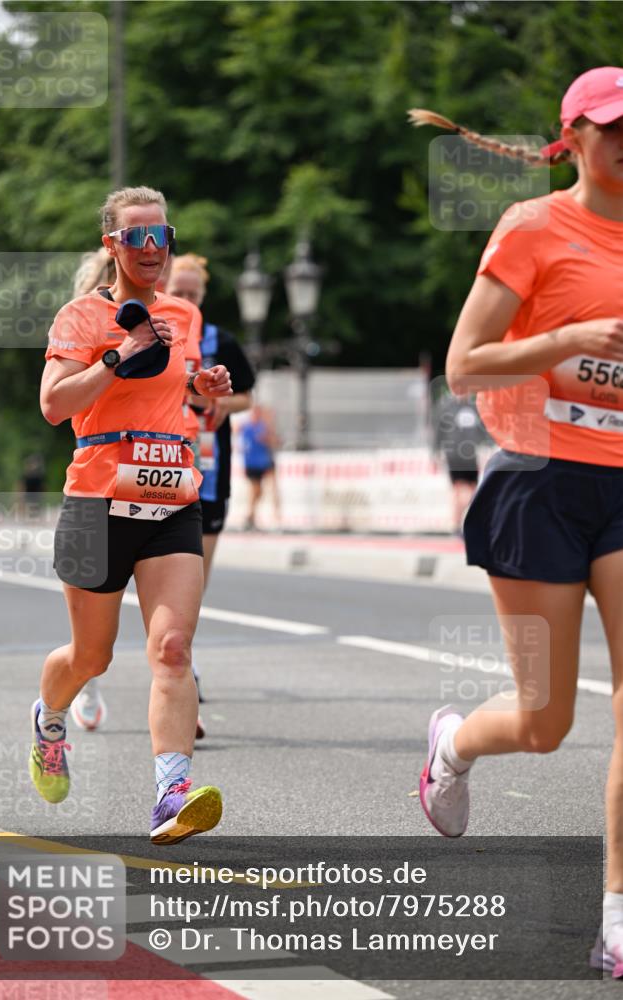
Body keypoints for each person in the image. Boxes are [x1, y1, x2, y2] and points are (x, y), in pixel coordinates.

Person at [410, 66, 623, 977]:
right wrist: (565, 342)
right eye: (612, 127)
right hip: (539, 482)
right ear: (570, 136)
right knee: (544, 721)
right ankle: (453, 745)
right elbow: (465, 366)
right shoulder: (534, 226)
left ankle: (613, 912)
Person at [31, 185, 232, 845]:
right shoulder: (82, 317)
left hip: (172, 498)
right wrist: (119, 358)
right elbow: (55, 406)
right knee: (92, 656)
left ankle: (171, 793)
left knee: (172, 649)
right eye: (136, 236)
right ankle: (49, 717)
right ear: (111, 244)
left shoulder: (185, 314)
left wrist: (205, 392)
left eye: (160, 236)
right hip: (96, 502)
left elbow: (188, 403)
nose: (151, 249)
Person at [167, 253, 256, 583]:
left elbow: (247, 396)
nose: (186, 301)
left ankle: (184, 630)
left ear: (203, 297)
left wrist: (224, 404)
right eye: (178, 293)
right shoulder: (149, 335)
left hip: (209, 459)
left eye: (193, 295)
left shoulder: (221, 341)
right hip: (159, 459)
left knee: (196, 576)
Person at [432, 390, 488, 533]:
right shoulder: (448, 406)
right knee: (460, 490)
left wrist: (484, 444)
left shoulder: (474, 407)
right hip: (455, 455)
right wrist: (436, 451)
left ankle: (457, 523)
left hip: (470, 455)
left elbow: (483, 430)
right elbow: (439, 431)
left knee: (471, 490)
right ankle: (456, 523)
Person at [240, 403, 281, 530]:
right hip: (253, 464)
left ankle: (269, 515)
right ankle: (250, 516)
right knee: (256, 491)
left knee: (267, 489)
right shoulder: (248, 427)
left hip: (263, 463)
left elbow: (274, 441)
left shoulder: (262, 426)